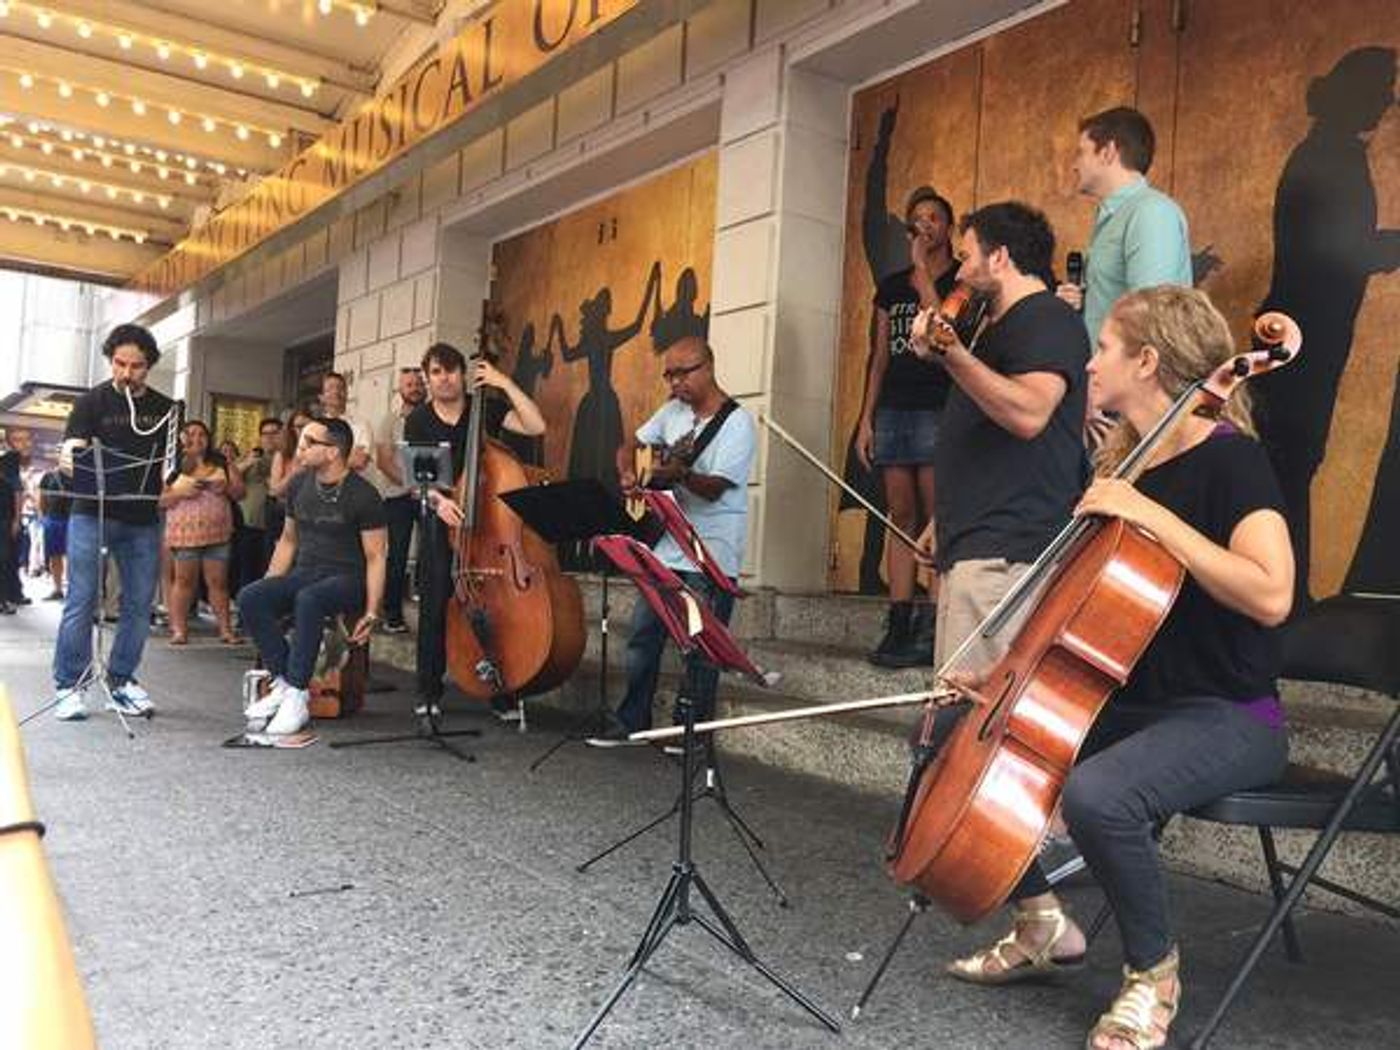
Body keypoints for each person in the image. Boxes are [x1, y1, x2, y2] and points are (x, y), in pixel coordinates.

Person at [942, 286, 1292, 1050]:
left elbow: (1271, 595)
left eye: (1103, 347)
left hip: (1232, 713)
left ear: (1148, 359)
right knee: (952, 732)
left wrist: (1152, 517)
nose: (1091, 362)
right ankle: (1042, 924)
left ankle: (1153, 975)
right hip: (1136, 700)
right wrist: (1004, 681)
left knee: (1099, 795)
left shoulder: (1230, 463)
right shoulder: (1122, 469)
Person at [914, 201, 1091, 673]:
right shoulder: (996, 326)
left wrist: (951, 356)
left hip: (1005, 553)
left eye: (969, 257)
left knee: (971, 721)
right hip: (976, 544)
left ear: (1000, 258)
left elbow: (1030, 413)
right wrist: (944, 520)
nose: (962, 271)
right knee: (953, 714)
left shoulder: (1047, 317)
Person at [592, 336, 757, 742]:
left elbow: (715, 488)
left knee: (702, 650)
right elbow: (631, 443)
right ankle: (632, 721)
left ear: (707, 367)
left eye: (681, 374)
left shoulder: (737, 423)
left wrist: (679, 475)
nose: (673, 384)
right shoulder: (672, 412)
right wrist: (629, 472)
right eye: (669, 375)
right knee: (642, 638)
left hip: (711, 553)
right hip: (665, 546)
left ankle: (694, 734)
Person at [404, 342, 546, 718]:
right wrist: (439, 501)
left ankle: (500, 689)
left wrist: (504, 382)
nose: (445, 378)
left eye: (451, 370)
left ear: (463, 375)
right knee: (435, 604)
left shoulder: (487, 408)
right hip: (441, 518)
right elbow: (417, 480)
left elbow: (536, 424)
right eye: (436, 372)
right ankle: (428, 691)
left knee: (491, 609)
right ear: (427, 377)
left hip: (488, 527)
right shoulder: (419, 420)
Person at [50, 324, 177, 721]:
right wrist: (71, 453)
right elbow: (72, 443)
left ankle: (121, 681)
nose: (126, 373)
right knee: (82, 598)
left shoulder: (166, 408)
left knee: (138, 604)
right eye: (120, 364)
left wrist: (175, 483)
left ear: (149, 366)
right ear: (110, 361)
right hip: (91, 512)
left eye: (136, 367)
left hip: (141, 517)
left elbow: (171, 468)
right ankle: (69, 685)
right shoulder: (91, 402)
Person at [854, 187, 958, 667]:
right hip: (894, 407)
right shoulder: (891, 287)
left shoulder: (962, 279)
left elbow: (944, 330)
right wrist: (865, 421)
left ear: (948, 228)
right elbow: (878, 357)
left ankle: (933, 623)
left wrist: (922, 273)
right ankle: (899, 620)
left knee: (937, 514)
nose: (925, 225)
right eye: (918, 219)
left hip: (938, 405)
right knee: (901, 513)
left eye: (934, 218)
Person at [237, 418, 387, 737]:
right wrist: (269, 584)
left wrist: (373, 610)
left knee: (310, 600)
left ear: (332, 452)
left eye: (308, 442)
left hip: (349, 578)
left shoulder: (364, 495)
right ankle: (284, 683)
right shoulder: (298, 485)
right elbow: (289, 540)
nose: (300, 447)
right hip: (307, 572)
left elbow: (376, 556)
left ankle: (296, 694)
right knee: (251, 597)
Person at [1056, 107, 1193, 346]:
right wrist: (1084, 303)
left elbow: (1150, 315)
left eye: (1081, 152)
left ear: (1108, 152)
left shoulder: (1151, 212)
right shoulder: (1116, 215)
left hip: (1131, 379)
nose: (1074, 165)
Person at [160, 421, 241, 645]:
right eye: (190, 434)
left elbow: (240, 493)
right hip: (184, 533)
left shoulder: (222, 462)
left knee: (218, 581)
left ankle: (225, 630)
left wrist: (225, 488)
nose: (196, 438)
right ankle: (179, 630)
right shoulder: (171, 464)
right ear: (182, 439)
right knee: (184, 581)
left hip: (218, 532)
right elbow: (159, 500)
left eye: (202, 434)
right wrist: (180, 494)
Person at [373, 367, 427, 634]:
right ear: (400, 390)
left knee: (433, 554)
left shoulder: (432, 419)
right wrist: (410, 486)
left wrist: (425, 489)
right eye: (409, 384)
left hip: (429, 496)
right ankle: (391, 614)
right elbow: (383, 461)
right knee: (397, 556)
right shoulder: (390, 421)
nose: (415, 388)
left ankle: (431, 612)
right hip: (397, 498)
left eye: (419, 383)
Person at [232, 418, 282, 593]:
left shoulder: (285, 458)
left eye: (274, 433)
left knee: (268, 570)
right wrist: (249, 462)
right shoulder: (249, 456)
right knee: (247, 570)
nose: (269, 438)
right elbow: (229, 476)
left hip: (275, 526)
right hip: (248, 524)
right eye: (265, 434)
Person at [318, 371, 375, 477]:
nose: (336, 392)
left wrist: (323, 459)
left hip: (353, 488)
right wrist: (347, 458)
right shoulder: (316, 427)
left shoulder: (361, 425)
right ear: (321, 397)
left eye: (340, 388)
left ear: (347, 393)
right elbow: (309, 461)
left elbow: (359, 460)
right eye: (330, 388)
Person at [38, 468, 71, 600]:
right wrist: (43, 518)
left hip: (72, 519)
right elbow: (41, 497)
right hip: (53, 519)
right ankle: (57, 589)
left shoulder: (80, 474)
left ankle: (72, 590)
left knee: (74, 557)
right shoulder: (48, 475)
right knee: (54, 556)